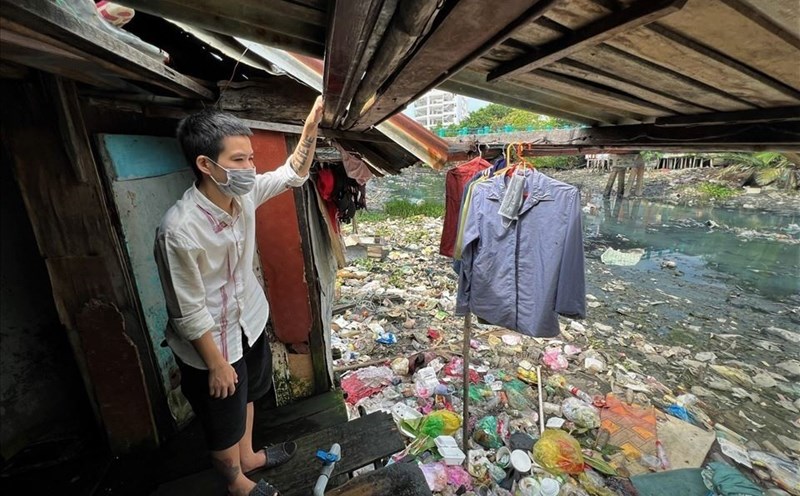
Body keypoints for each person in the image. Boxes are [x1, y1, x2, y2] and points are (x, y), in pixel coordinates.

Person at [154, 96, 324, 496]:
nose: (250, 169)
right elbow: (188, 310)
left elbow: (291, 175)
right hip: (210, 345)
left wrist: (310, 129)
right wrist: (215, 365)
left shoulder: (242, 197)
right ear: (205, 165)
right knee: (222, 419)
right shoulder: (178, 231)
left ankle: (247, 457)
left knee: (248, 394)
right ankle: (236, 481)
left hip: (248, 321)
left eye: (250, 159)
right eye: (239, 160)